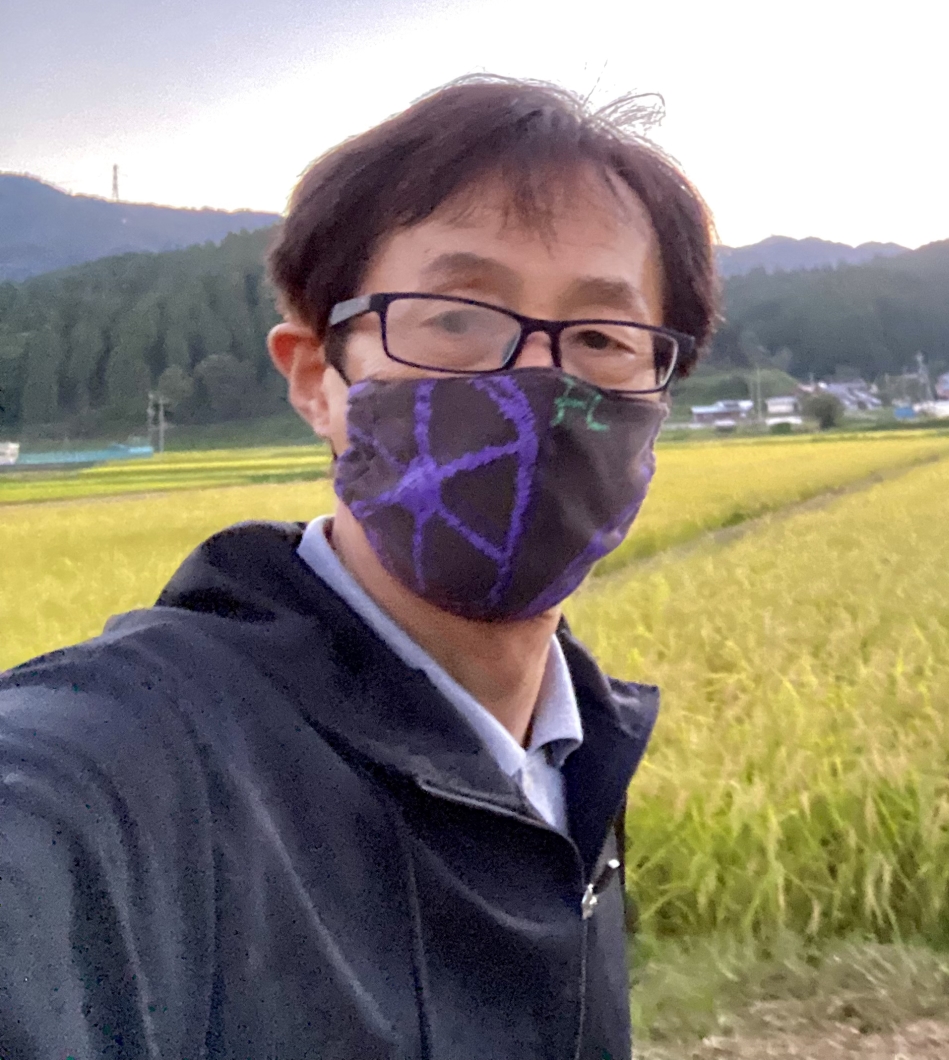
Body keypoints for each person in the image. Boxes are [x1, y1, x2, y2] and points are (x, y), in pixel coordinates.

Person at [0, 78, 718, 1059]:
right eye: (455, 319)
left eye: (601, 337)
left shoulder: (574, 753)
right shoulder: (135, 767)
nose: (536, 382)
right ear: (316, 378)